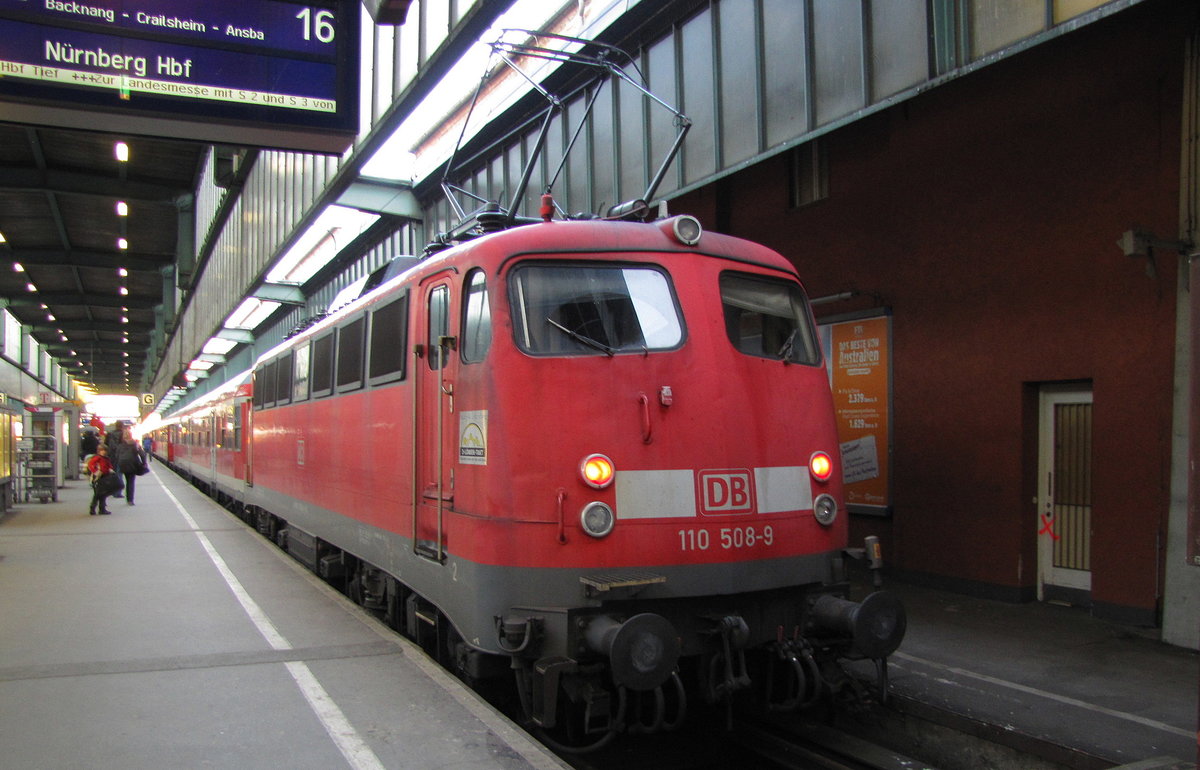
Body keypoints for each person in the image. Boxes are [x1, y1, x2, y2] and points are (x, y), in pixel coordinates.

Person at [114, 433, 147, 505]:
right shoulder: (135, 444)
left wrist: (118, 464)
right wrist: (144, 463)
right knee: (130, 482)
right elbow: (142, 454)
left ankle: (124, 495)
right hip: (132, 464)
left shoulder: (120, 445)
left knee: (124, 480)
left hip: (122, 465)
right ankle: (130, 500)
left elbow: (116, 456)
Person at [86, 445, 117, 515]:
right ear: (99, 451)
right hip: (98, 477)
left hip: (105, 477)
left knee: (103, 493)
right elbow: (90, 465)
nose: (103, 452)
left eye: (105, 450)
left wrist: (110, 470)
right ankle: (93, 508)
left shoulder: (106, 458)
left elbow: (109, 466)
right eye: (102, 450)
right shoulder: (97, 458)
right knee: (97, 494)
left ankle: (102, 508)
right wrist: (96, 472)